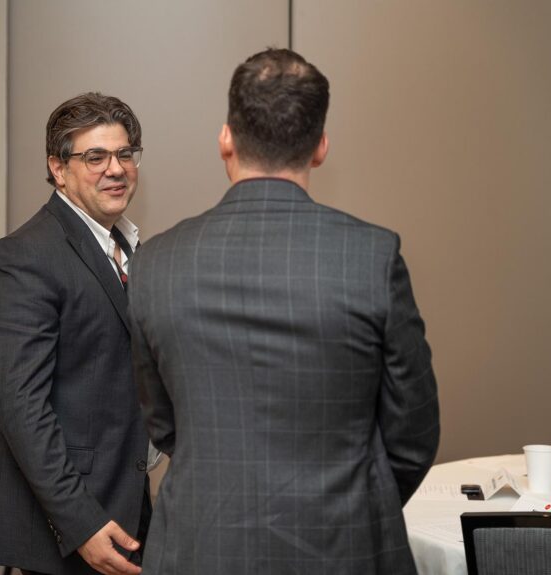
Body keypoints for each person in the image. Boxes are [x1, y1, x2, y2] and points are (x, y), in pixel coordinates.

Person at [127, 49, 440, 574]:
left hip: (202, 549)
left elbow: (164, 424)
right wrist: (355, 504)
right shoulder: (372, 256)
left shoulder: (156, 263)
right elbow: (414, 433)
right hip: (343, 550)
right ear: (320, 147)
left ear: (226, 138)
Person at [0, 92, 152, 575]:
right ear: (58, 169)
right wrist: (81, 523)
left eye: (125, 153)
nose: (115, 169)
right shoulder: (22, 258)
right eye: (95, 157)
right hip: (68, 527)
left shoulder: (128, 247)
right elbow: (21, 408)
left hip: (124, 502)